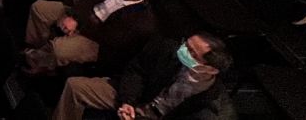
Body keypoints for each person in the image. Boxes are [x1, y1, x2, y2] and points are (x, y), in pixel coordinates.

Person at [51, 33, 233, 120]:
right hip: (136, 98)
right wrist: (128, 101)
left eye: (192, 53)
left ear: (210, 69)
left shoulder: (210, 99)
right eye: (186, 44)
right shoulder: (167, 48)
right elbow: (137, 70)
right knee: (76, 87)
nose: (183, 50)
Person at [25, 0, 158, 75]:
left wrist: (79, 27)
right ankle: (36, 49)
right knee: (40, 8)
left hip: (97, 40)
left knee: (60, 48)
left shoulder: (142, 22)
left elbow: (110, 39)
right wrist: (75, 18)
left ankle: (36, 63)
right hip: (82, 18)